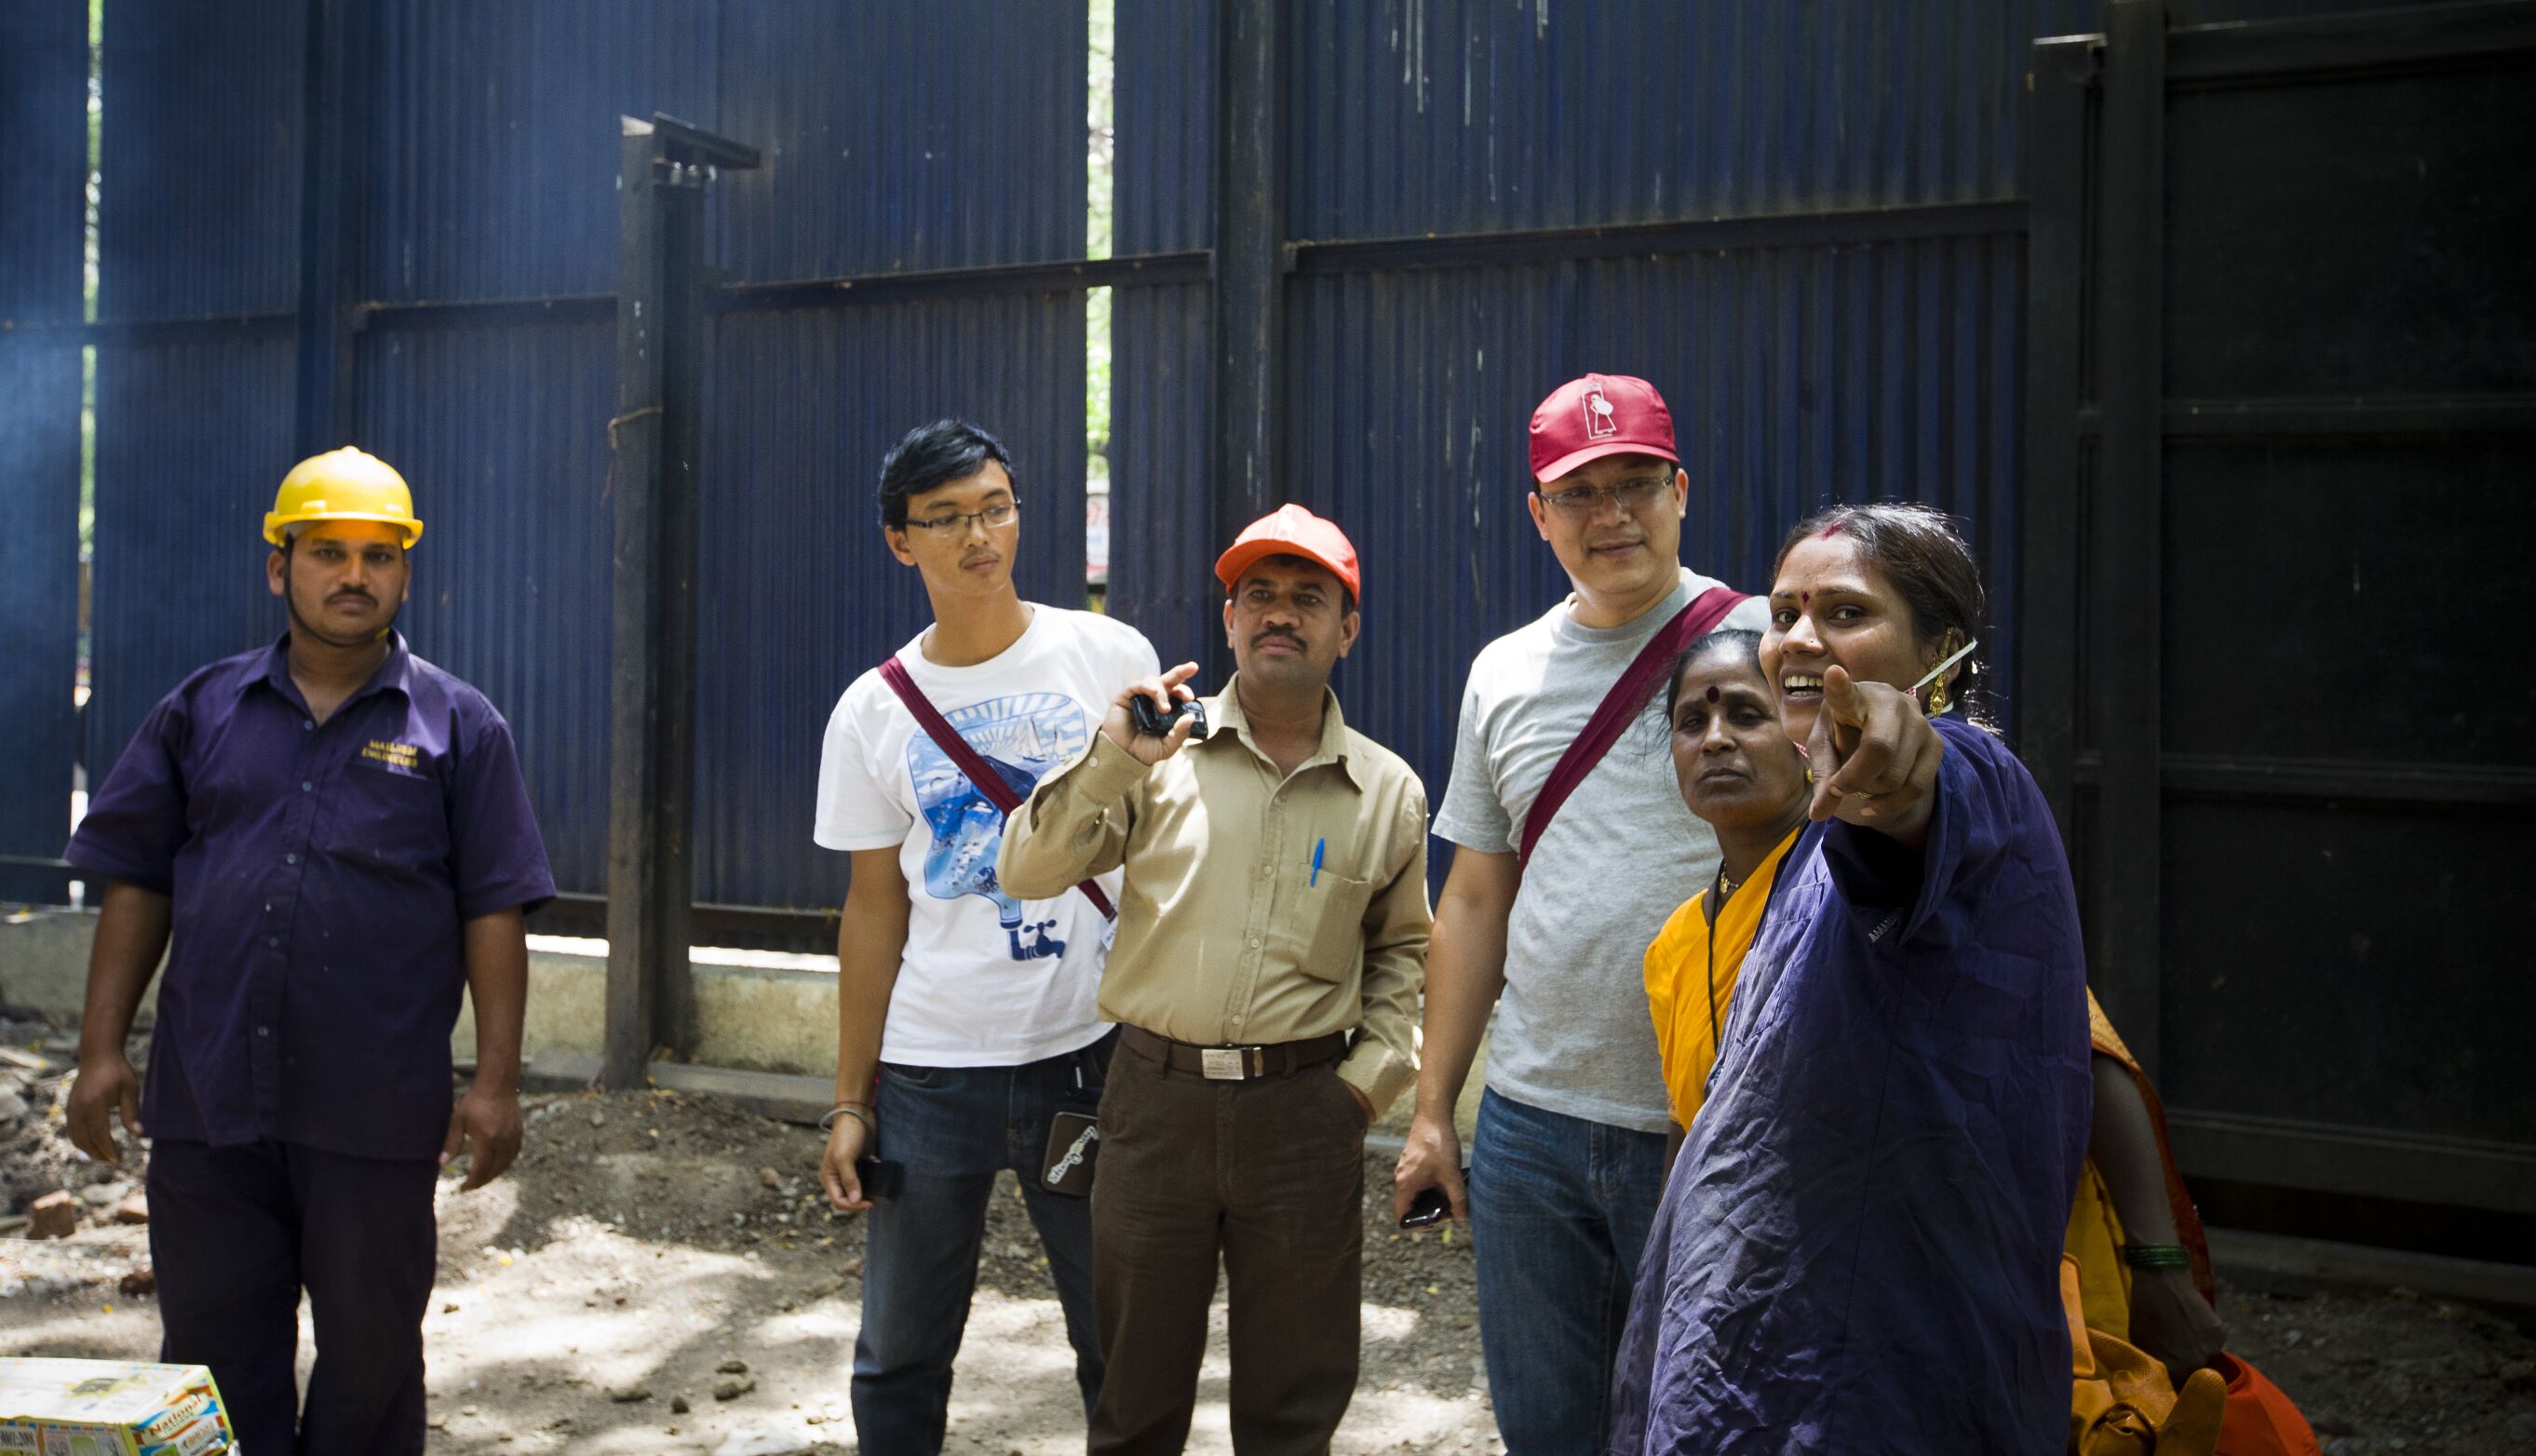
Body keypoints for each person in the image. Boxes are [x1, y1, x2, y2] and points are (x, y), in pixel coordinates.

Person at [61, 447, 554, 1456]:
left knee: (372, 1362)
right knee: (212, 1366)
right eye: (328, 552)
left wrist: (495, 1083)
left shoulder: (459, 728)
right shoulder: (201, 710)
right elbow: (138, 881)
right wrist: (100, 1050)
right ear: (279, 567)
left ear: (406, 573)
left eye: (379, 555)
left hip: (373, 1113)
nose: (354, 575)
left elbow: (495, 908)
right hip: (208, 1104)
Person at [1608, 502, 2093, 1454]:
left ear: (1941, 649)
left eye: (1845, 612)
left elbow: (1915, 796)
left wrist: (1894, 775)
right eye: (1784, 612)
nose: (1797, 639)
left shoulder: (1972, 777)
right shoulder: (1805, 851)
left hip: (1872, 1374)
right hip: (1750, 1356)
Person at [1001, 505, 1430, 1455]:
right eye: (1259, 595)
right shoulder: (1157, 757)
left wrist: (1361, 1090)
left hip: (1305, 1119)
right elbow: (1024, 870)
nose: (1280, 614)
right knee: (1136, 1402)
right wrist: (1113, 758)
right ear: (1230, 620)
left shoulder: (1387, 790)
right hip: (1155, 1109)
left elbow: (1403, 953)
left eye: (1308, 598)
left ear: (1348, 630)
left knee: (1293, 1409)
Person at [1391, 372, 1766, 1454]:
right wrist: (1434, 1111)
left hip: (1712, 1122)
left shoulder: (1764, 644)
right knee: (1549, 1429)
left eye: (1636, 483)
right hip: (1531, 1127)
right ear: (1538, 513)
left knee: (1709, 1424)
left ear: (1680, 490)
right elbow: (1474, 898)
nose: (1612, 515)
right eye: (1580, 492)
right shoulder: (1504, 672)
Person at [811, 419, 1157, 1453]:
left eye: (995, 508)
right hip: (931, 1072)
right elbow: (875, 911)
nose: (979, 536)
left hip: (1089, 1055)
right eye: (947, 518)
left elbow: (1166, 845)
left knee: (1122, 1337)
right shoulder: (870, 712)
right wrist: (851, 1100)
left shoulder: (1107, 654)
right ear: (900, 540)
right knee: (900, 1353)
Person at [1638, 629, 1811, 1163]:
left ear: (1806, 735)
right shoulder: (1677, 945)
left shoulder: (1857, 890)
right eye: (1693, 722)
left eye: (1746, 715)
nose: (1714, 739)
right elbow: (1685, 1126)